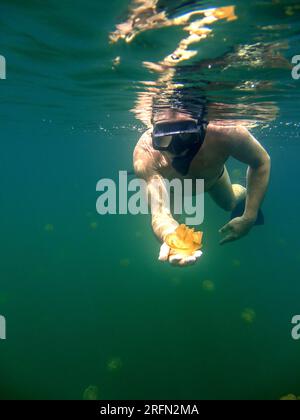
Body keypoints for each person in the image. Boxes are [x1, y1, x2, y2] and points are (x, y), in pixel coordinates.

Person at [133, 108, 271, 267]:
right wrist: (172, 238)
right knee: (173, 223)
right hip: (172, 190)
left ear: (202, 126)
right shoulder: (145, 153)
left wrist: (249, 216)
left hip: (213, 180)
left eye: (185, 135)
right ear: (153, 128)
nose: (174, 149)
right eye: (163, 137)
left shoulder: (225, 131)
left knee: (230, 204)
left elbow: (261, 161)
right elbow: (159, 214)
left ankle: (244, 188)